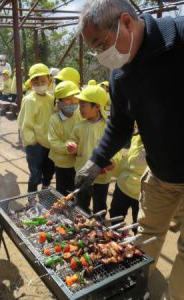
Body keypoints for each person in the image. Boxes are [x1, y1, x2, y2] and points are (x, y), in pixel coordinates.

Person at [76, 1, 184, 299]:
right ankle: (134, 287)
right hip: (161, 174)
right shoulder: (119, 73)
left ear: (125, 22)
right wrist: (96, 160)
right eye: (94, 49)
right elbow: (120, 124)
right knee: (146, 233)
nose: (100, 55)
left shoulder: (179, 38)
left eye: (100, 44)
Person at [68, 85, 118, 213]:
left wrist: (113, 161)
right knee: (81, 204)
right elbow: (72, 140)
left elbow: (116, 149)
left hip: (102, 177)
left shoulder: (108, 127)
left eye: (83, 105)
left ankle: (98, 225)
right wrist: (71, 146)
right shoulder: (79, 126)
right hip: (83, 173)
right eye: (79, 105)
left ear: (96, 107)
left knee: (100, 206)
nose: (80, 109)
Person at [18, 63, 55, 192]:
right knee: (35, 174)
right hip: (35, 145)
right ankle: (31, 197)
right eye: (36, 82)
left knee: (49, 171)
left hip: (49, 142)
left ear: (49, 81)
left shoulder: (51, 98)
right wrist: (32, 141)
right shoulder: (29, 100)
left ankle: (45, 191)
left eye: (43, 81)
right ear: (31, 83)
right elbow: (24, 123)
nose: (39, 84)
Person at [109, 133, 147, 233]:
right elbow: (127, 162)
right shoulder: (137, 136)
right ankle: (115, 240)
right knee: (115, 217)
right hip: (122, 185)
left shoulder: (162, 141)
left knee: (140, 226)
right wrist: (114, 165)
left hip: (143, 193)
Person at [48, 81, 81, 196]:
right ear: (59, 102)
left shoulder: (79, 115)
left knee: (74, 189)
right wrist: (67, 147)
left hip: (77, 161)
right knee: (61, 190)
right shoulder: (54, 119)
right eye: (68, 99)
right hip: (61, 163)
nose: (73, 101)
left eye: (75, 98)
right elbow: (53, 141)